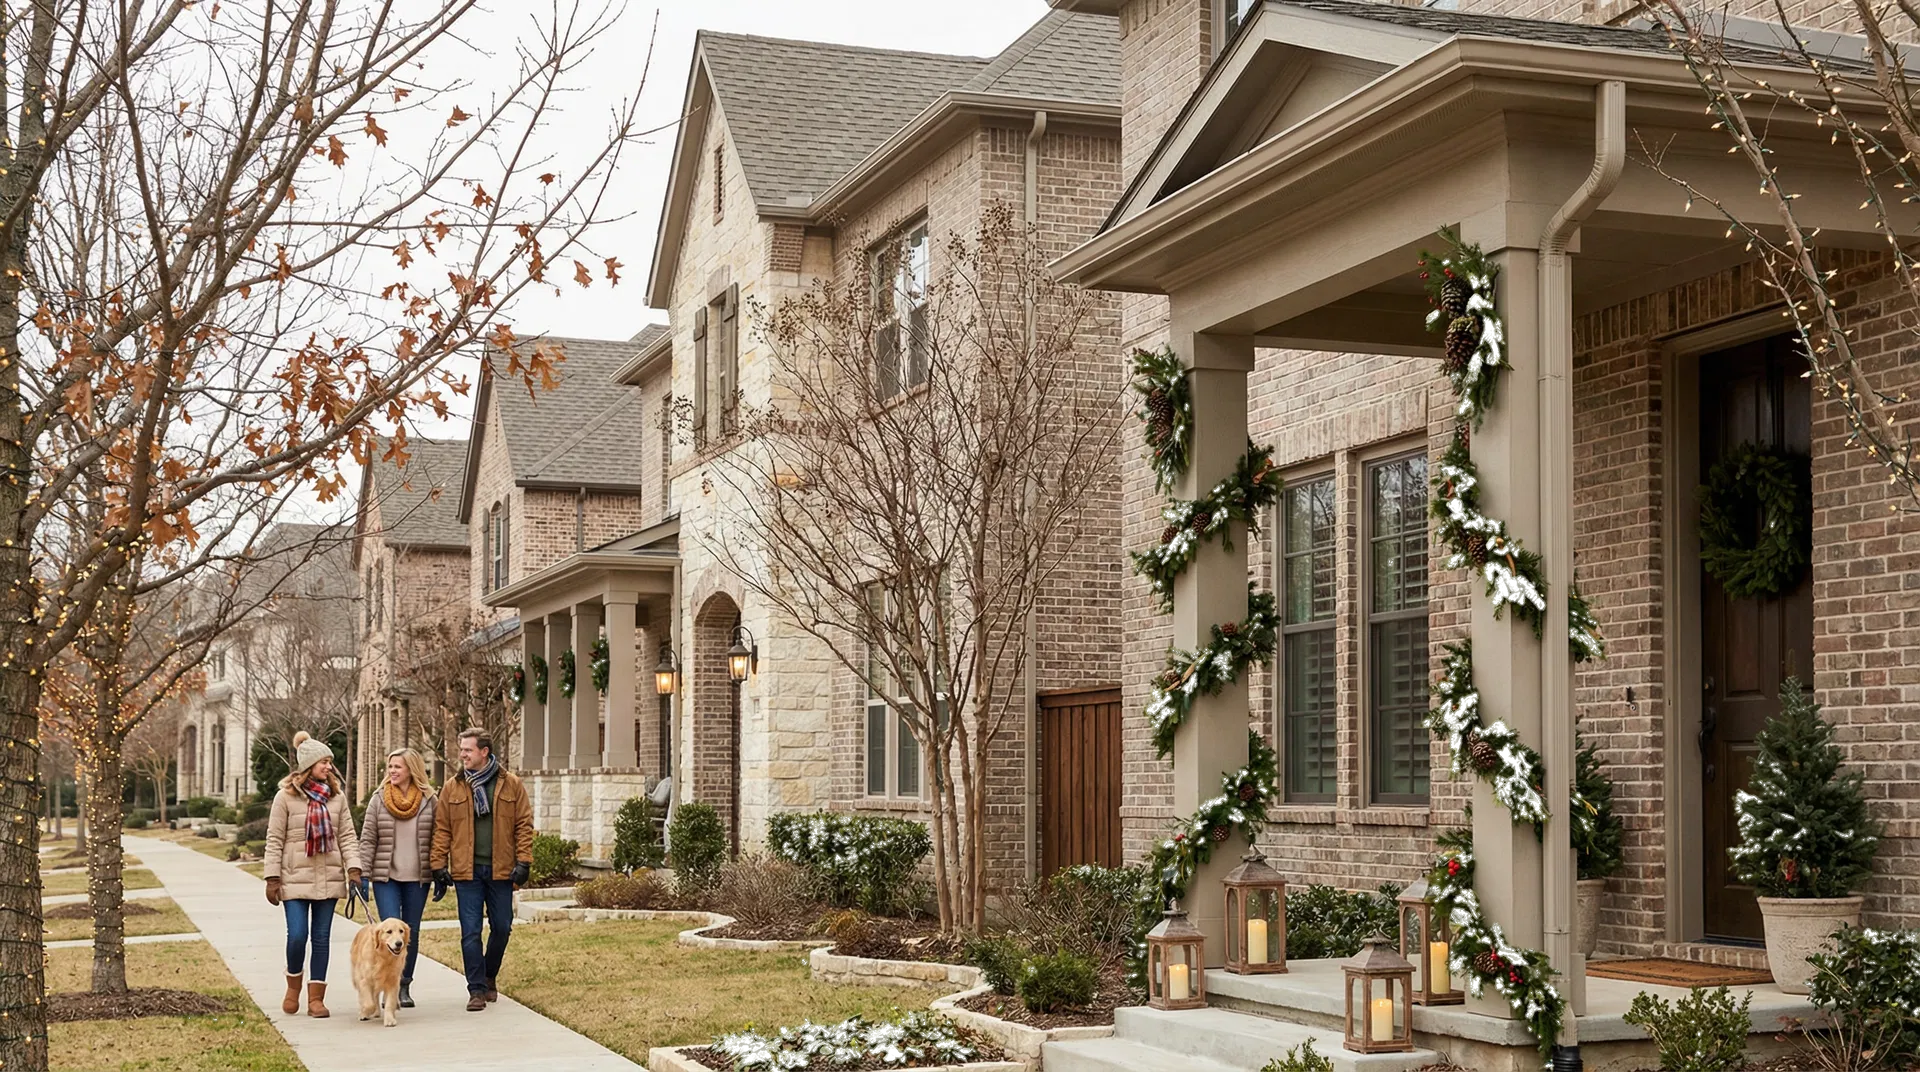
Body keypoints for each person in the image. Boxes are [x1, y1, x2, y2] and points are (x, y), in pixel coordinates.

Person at [430, 726, 533, 1012]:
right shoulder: (452, 786)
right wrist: (438, 865)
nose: (462, 755)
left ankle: (489, 975)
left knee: (502, 927)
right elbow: (442, 829)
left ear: (484, 752)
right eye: (461, 750)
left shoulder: (511, 784)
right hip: (467, 872)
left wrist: (523, 861)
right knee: (470, 931)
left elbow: (524, 824)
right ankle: (476, 989)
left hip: (501, 870)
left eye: (467, 750)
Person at [264, 731, 361, 1019]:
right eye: (324, 762)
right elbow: (274, 839)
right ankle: (293, 985)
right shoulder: (285, 797)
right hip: (293, 877)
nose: (329, 767)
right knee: (297, 936)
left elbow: (347, 836)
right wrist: (272, 878)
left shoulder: (337, 798)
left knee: (321, 938)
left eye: (330, 763)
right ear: (309, 765)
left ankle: (316, 998)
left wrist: (353, 869)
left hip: (328, 878)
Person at [359, 747, 437, 1009]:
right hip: (386, 878)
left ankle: (403, 985)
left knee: (407, 934)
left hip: (418, 878)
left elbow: (439, 838)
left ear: (411, 770)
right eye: (390, 767)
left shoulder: (429, 800)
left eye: (397, 767)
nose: (392, 771)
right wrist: (363, 874)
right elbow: (368, 839)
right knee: (388, 934)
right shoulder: (379, 799)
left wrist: (440, 870)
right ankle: (385, 984)